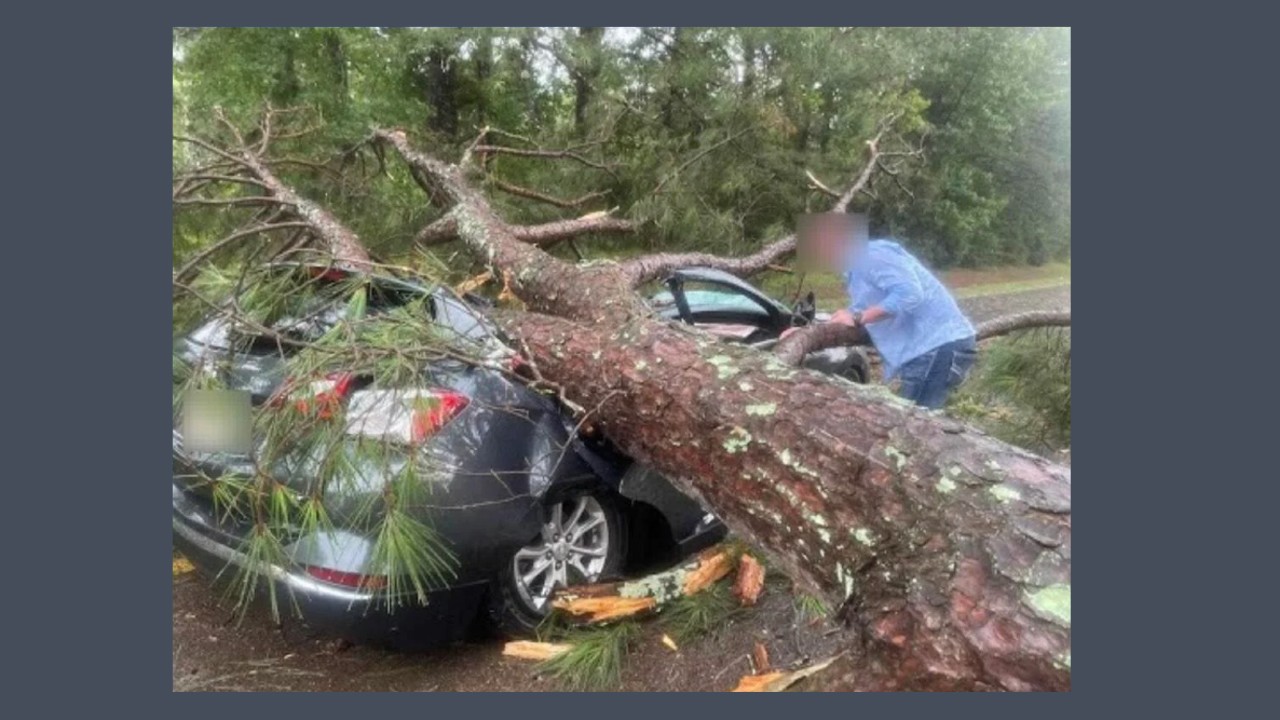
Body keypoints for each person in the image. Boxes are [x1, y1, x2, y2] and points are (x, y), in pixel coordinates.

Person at [787, 214, 978, 409]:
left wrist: (857, 317)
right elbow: (867, 309)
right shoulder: (855, 267)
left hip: (936, 347)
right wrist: (803, 333)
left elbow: (910, 294)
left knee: (914, 425)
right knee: (916, 423)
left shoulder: (873, 255)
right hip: (931, 350)